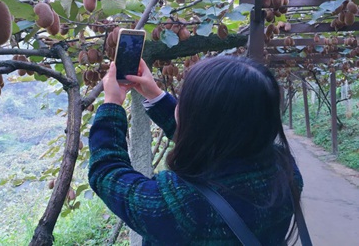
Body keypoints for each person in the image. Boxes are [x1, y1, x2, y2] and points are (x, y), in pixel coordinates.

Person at [88, 56, 303, 245]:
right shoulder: (286, 171)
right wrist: (155, 96)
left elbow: (107, 172)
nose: (180, 105)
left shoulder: (180, 208)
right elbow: (209, 139)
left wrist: (112, 105)